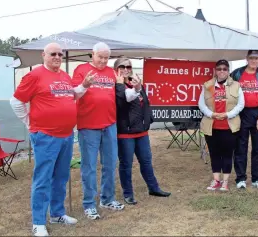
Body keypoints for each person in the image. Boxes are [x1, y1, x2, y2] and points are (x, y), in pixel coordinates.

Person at [10, 42, 94, 236]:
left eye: (60, 54)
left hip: (66, 135)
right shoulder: (34, 75)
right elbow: (17, 101)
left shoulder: (64, 76)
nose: (57, 57)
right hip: (45, 136)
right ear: (43, 55)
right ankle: (38, 221)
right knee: (43, 179)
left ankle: (57, 213)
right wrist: (29, 122)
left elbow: (72, 96)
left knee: (61, 177)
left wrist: (84, 86)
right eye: (53, 54)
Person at [71, 42, 125, 220]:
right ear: (92, 54)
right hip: (88, 126)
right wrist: (85, 84)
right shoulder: (81, 69)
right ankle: (89, 204)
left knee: (110, 164)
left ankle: (107, 199)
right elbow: (73, 95)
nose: (103, 60)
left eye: (106, 58)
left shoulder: (111, 72)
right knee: (89, 167)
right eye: (100, 57)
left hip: (109, 124)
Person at [114, 58, 171, 205]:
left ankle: (154, 188)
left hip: (141, 131)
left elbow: (145, 102)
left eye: (129, 66)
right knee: (126, 164)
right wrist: (130, 86)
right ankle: (128, 194)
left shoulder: (136, 83)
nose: (126, 69)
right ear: (116, 69)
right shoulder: (117, 86)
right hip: (125, 132)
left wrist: (148, 119)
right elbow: (125, 99)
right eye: (123, 66)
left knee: (146, 161)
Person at [198, 59, 245, 191]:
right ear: (215, 71)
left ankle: (225, 182)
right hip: (212, 126)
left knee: (227, 154)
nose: (222, 71)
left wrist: (228, 115)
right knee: (214, 153)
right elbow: (201, 104)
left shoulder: (236, 85)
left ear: (228, 71)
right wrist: (211, 114)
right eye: (219, 69)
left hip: (229, 126)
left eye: (225, 69)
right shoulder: (207, 85)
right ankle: (216, 180)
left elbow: (241, 104)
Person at [230, 50, 258, 189]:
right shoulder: (237, 74)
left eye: (256, 58)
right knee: (240, 147)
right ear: (246, 59)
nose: (254, 61)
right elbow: (228, 92)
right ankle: (240, 178)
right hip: (241, 113)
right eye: (251, 58)